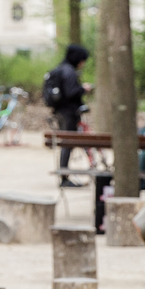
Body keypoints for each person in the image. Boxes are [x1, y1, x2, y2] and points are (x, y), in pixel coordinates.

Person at [51, 44, 92, 188]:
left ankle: (64, 176)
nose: (83, 64)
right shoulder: (69, 72)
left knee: (67, 143)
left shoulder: (61, 68)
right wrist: (83, 89)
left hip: (61, 112)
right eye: (82, 60)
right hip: (68, 113)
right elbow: (71, 92)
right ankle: (64, 178)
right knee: (68, 143)